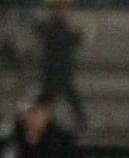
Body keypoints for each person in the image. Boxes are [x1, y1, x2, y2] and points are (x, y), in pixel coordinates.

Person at [31, 0, 87, 133]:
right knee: (68, 96)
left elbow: (38, 30)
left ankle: (36, 119)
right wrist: (81, 34)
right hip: (61, 70)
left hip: (51, 69)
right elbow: (73, 41)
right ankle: (81, 121)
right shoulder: (63, 28)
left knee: (47, 97)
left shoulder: (50, 26)